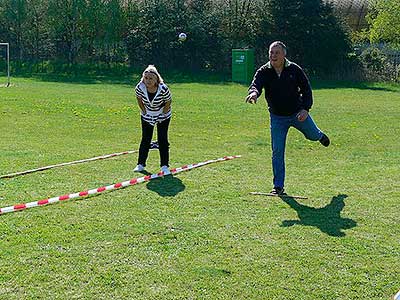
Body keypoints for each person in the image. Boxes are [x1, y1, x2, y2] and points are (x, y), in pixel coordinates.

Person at [245, 41, 330, 195]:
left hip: (298, 114)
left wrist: (305, 109)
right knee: (277, 151)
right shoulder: (264, 71)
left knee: (312, 135)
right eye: (271, 52)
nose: (273, 55)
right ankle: (278, 186)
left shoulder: (294, 69)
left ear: (284, 54)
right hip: (277, 118)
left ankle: (320, 135)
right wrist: (254, 93)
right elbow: (256, 84)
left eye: (277, 52)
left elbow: (306, 89)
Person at [133, 65, 172, 175]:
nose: (148, 81)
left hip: (163, 115)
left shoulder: (163, 88)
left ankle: (164, 166)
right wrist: (144, 110)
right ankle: (140, 164)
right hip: (147, 114)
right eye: (146, 78)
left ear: (156, 79)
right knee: (145, 139)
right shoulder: (139, 87)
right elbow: (139, 99)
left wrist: (163, 113)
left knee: (162, 139)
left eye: (151, 78)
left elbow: (169, 101)